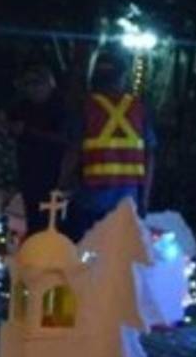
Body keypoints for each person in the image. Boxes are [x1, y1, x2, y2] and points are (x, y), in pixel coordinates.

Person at [60, 50, 156, 239]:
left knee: (83, 252)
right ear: (122, 76)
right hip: (129, 199)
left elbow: (73, 152)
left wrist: (61, 184)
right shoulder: (138, 109)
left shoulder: (85, 107)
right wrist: (144, 199)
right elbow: (150, 156)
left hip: (91, 197)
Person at [0, 64, 69, 234]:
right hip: (28, 174)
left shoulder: (60, 108)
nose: (33, 89)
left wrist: (29, 132)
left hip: (54, 175)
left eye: (37, 84)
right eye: (28, 84)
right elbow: (5, 125)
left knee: (53, 222)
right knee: (33, 221)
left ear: (48, 84)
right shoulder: (21, 107)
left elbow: (65, 139)